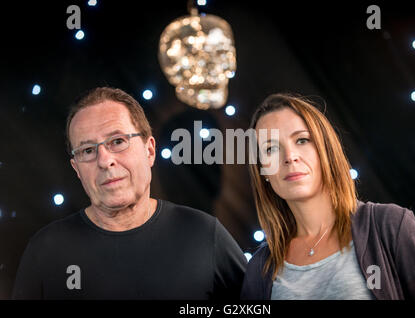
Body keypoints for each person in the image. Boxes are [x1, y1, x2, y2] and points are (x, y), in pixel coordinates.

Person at [12, 87, 247, 299]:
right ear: (77, 168)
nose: (104, 160)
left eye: (117, 141)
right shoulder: (47, 250)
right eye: (87, 150)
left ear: (150, 151)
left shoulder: (205, 234)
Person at [241, 93, 415, 300]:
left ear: (326, 150)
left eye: (302, 140)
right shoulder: (259, 269)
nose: (289, 157)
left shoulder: (391, 225)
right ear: (263, 171)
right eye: (271, 149)